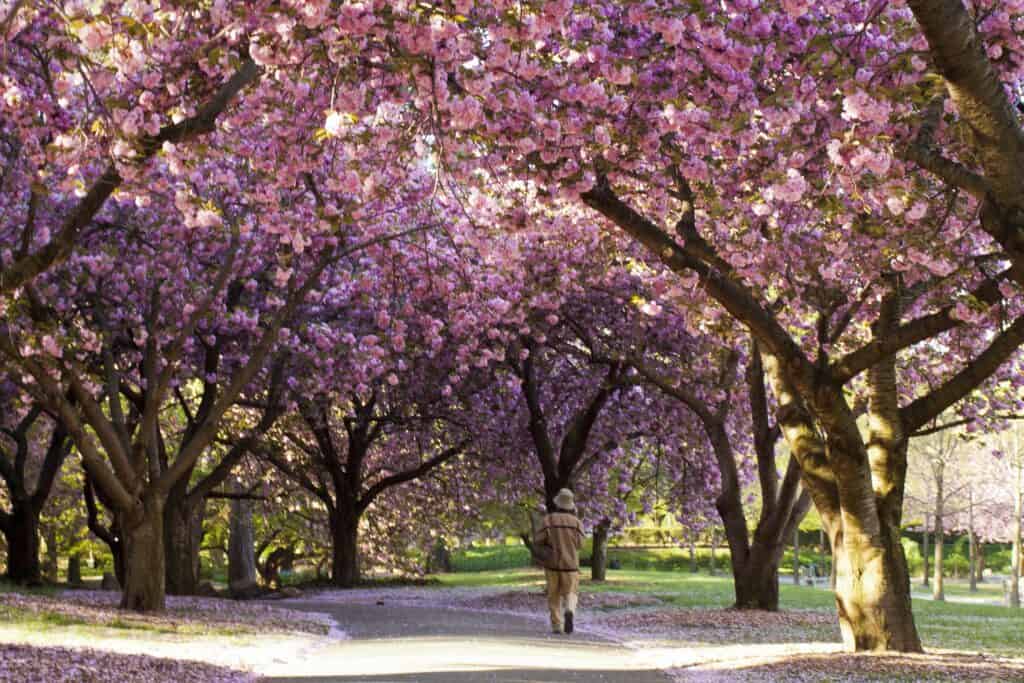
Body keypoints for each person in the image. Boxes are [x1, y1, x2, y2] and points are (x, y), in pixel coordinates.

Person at [534, 488, 585, 634]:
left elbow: (538, 540)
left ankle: (557, 624)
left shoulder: (548, 520)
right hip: (571, 565)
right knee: (571, 592)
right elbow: (581, 544)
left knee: (553, 594)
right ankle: (569, 609)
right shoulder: (576, 522)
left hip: (552, 564)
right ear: (570, 505)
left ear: (557, 503)